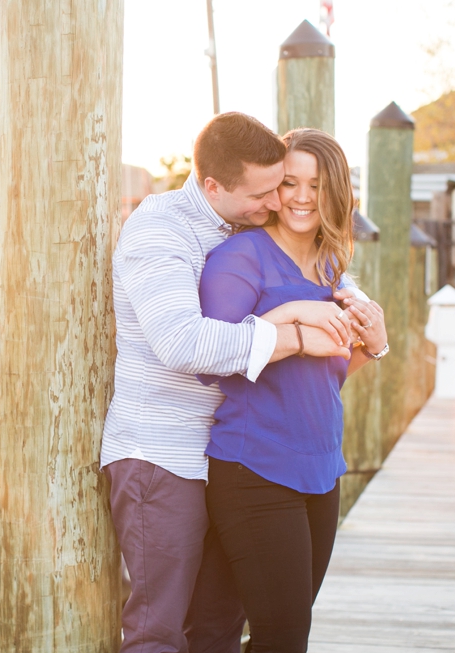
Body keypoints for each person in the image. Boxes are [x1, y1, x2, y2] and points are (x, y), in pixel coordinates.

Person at [101, 112, 361, 653]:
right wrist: (292, 332)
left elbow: (305, 267)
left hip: (226, 456)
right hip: (163, 455)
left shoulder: (238, 222)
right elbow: (183, 343)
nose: (276, 203)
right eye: (266, 192)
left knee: (217, 627)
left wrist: (356, 316)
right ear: (214, 186)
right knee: (158, 628)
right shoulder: (159, 229)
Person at [198, 128, 389, 652]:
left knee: (285, 631)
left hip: (323, 471)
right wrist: (290, 320)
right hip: (254, 468)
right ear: (273, 189)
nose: (303, 197)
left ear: (338, 193)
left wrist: (371, 347)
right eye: (290, 182)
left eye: (317, 184)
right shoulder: (242, 256)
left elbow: (326, 377)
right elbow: (211, 361)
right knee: (282, 637)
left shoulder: (332, 269)